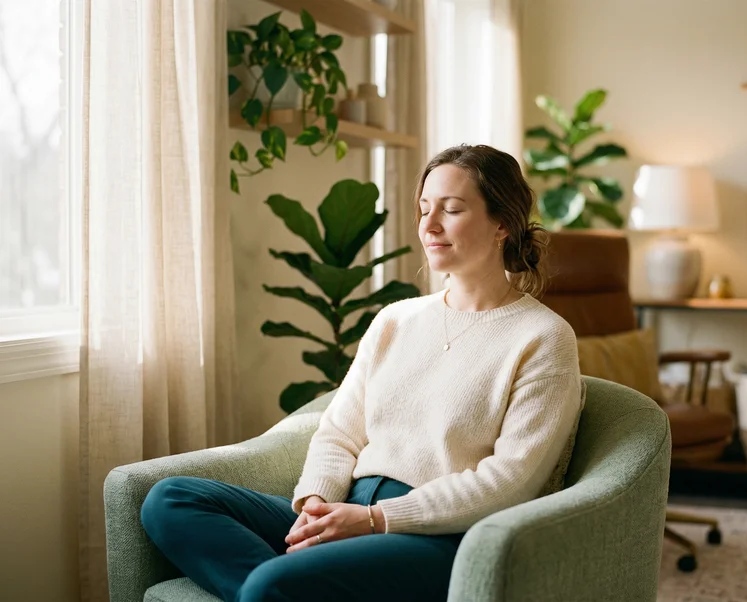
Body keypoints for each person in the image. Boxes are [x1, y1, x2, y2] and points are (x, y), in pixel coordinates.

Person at [140, 144, 584, 602]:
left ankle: (279, 590)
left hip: (439, 537)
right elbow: (339, 433)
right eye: (424, 209)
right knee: (170, 499)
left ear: (502, 224)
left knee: (269, 586)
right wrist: (314, 505)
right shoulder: (396, 320)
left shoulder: (543, 337)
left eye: (451, 210)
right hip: (348, 508)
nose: (429, 226)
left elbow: (511, 481)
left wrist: (378, 519)